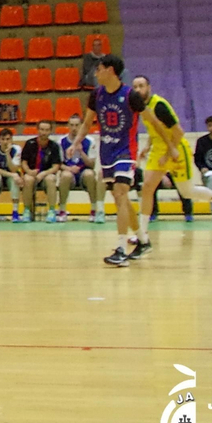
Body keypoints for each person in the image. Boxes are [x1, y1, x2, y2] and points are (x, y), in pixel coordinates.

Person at [128, 77, 212, 255]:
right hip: (159, 150)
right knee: (146, 188)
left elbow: (178, 132)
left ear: (149, 88)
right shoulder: (141, 108)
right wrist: (147, 147)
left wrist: (169, 154)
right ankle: (142, 234)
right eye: (135, 86)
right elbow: (156, 131)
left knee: (187, 191)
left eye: (141, 86)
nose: (138, 89)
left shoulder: (159, 106)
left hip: (176, 147)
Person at [72, 54, 140, 266]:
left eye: (99, 68)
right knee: (121, 198)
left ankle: (121, 248)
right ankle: (143, 239)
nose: (95, 72)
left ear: (110, 70)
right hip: (107, 152)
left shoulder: (131, 95)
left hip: (126, 151)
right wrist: (76, 143)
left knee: (120, 194)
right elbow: (86, 123)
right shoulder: (96, 95)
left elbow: (153, 121)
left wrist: (169, 143)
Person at [58, 113, 103, 222]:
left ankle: (93, 210)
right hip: (69, 173)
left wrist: (81, 151)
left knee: (90, 174)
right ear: (68, 126)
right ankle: (62, 210)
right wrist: (69, 169)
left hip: (83, 173)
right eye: (72, 125)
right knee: (65, 175)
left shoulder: (90, 141)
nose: (74, 128)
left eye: (77, 125)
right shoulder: (61, 141)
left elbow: (92, 164)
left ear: (81, 126)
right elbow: (58, 164)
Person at [20, 122, 65, 222]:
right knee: (27, 179)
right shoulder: (29, 143)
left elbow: (56, 166)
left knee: (51, 179)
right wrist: (29, 171)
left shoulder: (54, 146)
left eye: (46, 130)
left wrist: (44, 173)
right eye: (42, 129)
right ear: (38, 130)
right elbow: (23, 162)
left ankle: (52, 211)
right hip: (32, 173)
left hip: (46, 174)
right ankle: (27, 211)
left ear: (50, 131)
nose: (44, 132)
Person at [0, 127, 23, 223]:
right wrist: (12, 175)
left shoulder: (17, 149)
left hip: (10, 175)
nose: (5, 142)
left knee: (15, 180)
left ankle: (15, 212)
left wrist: (7, 154)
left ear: (12, 140)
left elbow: (14, 169)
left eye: (8, 139)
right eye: (3, 139)